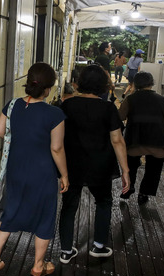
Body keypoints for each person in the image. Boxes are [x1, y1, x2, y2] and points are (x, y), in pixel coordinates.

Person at [0, 63, 68, 276]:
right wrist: (65, 175)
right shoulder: (54, 114)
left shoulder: (12, 105)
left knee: (11, 209)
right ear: (48, 89)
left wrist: (21, 137)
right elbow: (56, 148)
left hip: (16, 168)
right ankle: (39, 266)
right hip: (42, 172)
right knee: (45, 216)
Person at [58, 65, 130, 263]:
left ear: (80, 83)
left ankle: (65, 250)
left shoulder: (67, 105)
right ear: (103, 86)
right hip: (101, 164)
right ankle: (98, 246)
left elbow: (58, 138)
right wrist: (125, 169)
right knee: (104, 201)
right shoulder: (107, 108)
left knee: (69, 206)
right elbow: (117, 140)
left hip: (72, 164)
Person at [120, 72, 164, 203]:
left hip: (135, 139)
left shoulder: (130, 99)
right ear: (152, 84)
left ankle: (127, 189)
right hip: (157, 140)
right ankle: (144, 193)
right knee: (153, 169)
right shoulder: (162, 100)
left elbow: (120, 117)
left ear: (135, 84)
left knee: (130, 167)